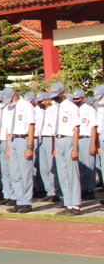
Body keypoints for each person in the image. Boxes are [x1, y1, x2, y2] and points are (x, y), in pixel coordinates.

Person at [51, 82, 83, 216]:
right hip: (58, 139)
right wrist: (54, 146)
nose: (54, 97)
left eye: (57, 94)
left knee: (72, 173)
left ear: (62, 93)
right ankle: (68, 203)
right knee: (63, 174)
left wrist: (75, 148)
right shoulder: (56, 108)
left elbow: (76, 128)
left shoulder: (71, 107)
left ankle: (75, 205)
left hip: (69, 139)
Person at [6, 89, 37, 214]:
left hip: (23, 139)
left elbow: (31, 126)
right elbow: (8, 129)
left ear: (15, 96)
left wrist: (29, 146)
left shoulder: (26, 106)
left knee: (25, 172)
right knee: (14, 173)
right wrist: (8, 148)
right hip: (13, 139)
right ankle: (19, 200)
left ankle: (27, 202)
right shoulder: (9, 108)